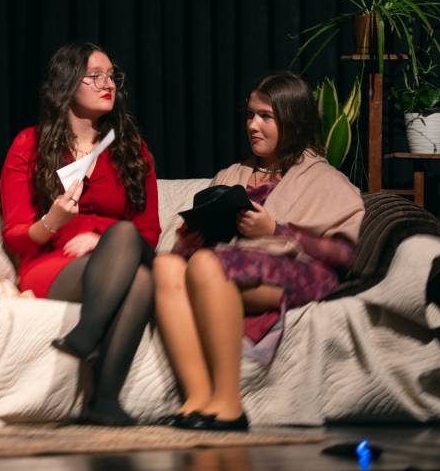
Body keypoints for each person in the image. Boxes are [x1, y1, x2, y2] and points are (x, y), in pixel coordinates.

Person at [153, 71, 364, 431]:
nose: (253, 125)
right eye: (250, 115)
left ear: (292, 120)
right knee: (167, 267)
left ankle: (229, 405)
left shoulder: (323, 178)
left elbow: (346, 255)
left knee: (207, 264)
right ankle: (198, 400)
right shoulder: (232, 174)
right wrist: (191, 237)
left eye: (266, 116)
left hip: (298, 271)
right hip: (225, 264)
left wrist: (275, 231)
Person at [0, 42, 161, 425]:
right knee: (136, 270)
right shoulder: (29, 144)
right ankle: (100, 387)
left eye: (112, 76)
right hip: (54, 265)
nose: (109, 85)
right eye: (95, 76)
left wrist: (104, 239)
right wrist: (52, 220)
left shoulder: (132, 150)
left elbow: (148, 231)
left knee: (131, 252)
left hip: (117, 256)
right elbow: (15, 236)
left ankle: (96, 369)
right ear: (68, 83)